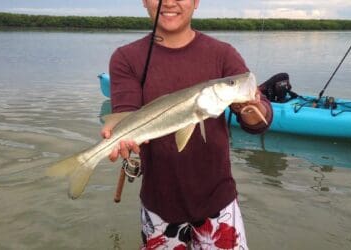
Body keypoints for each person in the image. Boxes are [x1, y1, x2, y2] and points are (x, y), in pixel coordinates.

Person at [101, 0, 273, 249]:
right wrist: (122, 138)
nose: (169, 2)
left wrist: (252, 110)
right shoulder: (126, 58)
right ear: (144, 2)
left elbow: (259, 119)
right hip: (158, 204)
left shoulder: (223, 53)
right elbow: (125, 112)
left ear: (196, 2)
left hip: (219, 202)